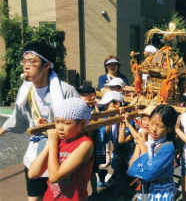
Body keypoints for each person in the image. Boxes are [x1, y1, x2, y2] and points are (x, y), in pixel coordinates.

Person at [0, 42, 80, 201]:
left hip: (61, 155)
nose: (26, 66)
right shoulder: (25, 91)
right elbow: (17, 118)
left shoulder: (66, 90)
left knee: (61, 197)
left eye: (32, 61)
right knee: (34, 198)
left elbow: (80, 121)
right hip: (34, 156)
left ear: (47, 65)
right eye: (24, 61)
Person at [28, 98, 94, 201]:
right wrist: (50, 144)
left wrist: (53, 143)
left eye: (66, 123)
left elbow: (54, 177)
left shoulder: (85, 144)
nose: (60, 127)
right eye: (57, 122)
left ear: (82, 123)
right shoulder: (57, 140)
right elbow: (32, 173)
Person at [128, 105, 178, 201]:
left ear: (169, 129)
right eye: (152, 123)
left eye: (159, 126)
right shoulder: (147, 141)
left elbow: (148, 173)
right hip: (144, 190)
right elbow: (131, 168)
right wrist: (139, 143)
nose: (153, 129)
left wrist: (143, 147)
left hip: (160, 191)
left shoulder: (168, 147)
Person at [97, 91, 135, 199]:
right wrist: (108, 121)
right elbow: (105, 139)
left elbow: (121, 139)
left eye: (107, 105)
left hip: (128, 152)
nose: (105, 108)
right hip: (118, 152)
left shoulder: (128, 116)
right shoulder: (109, 117)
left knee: (127, 177)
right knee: (119, 176)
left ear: (117, 104)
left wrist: (121, 121)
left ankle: (122, 193)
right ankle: (120, 194)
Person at [76, 85, 110, 198]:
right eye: (79, 94)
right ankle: (101, 173)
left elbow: (102, 120)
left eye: (83, 94)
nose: (80, 96)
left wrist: (95, 106)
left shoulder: (97, 107)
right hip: (80, 141)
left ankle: (94, 192)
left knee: (91, 170)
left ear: (92, 96)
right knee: (82, 169)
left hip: (93, 143)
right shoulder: (78, 107)